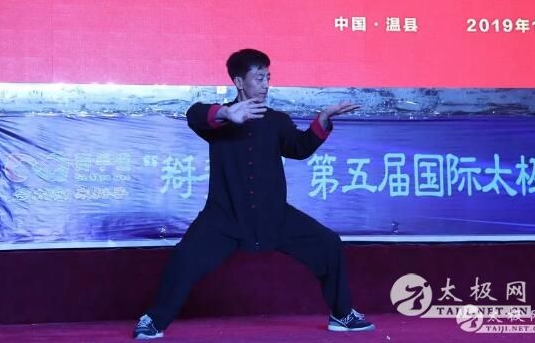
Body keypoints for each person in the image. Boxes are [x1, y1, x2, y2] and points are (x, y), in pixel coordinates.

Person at [133, 49, 375, 339]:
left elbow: (299, 148)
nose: (266, 84)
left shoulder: (276, 120)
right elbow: (194, 114)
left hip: (274, 215)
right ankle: (154, 320)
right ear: (239, 82)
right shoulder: (218, 120)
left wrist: (323, 118)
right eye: (259, 78)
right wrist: (226, 113)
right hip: (223, 217)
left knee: (328, 244)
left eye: (268, 78)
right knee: (184, 258)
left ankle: (342, 313)